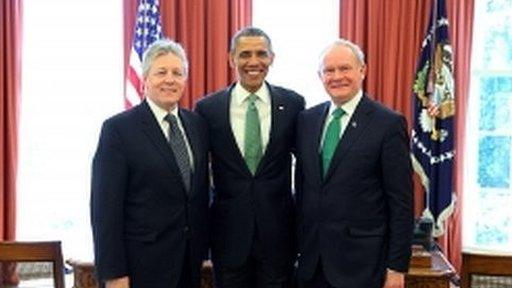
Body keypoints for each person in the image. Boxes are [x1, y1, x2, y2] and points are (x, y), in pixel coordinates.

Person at [294, 39, 414, 288]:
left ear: (363, 71)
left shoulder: (388, 124)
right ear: (320, 76)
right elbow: (304, 189)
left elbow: (401, 203)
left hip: (362, 266)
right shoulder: (306, 120)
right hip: (311, 264)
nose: (337, 76)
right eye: (329, 70)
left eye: (345, 68)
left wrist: (396, 268)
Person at [90, 38, 209, 288]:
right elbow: (105, 211)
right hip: (141, 268)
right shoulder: (118, 130)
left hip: (189, 265)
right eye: (161, 72)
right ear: (145, 79)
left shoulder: (197, 125)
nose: (170, 79)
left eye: (177, 73)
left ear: (185, 80)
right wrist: (114, 274)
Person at [195, 27, 305, 288]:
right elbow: (198, 174)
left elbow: (305, 168)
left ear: (272, 58)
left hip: (279, 238)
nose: (253, 62)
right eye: (245, 54)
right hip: (228, 238)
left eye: (261, 54)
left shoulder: (293, 104)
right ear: (231, 58)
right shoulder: (208, 109)